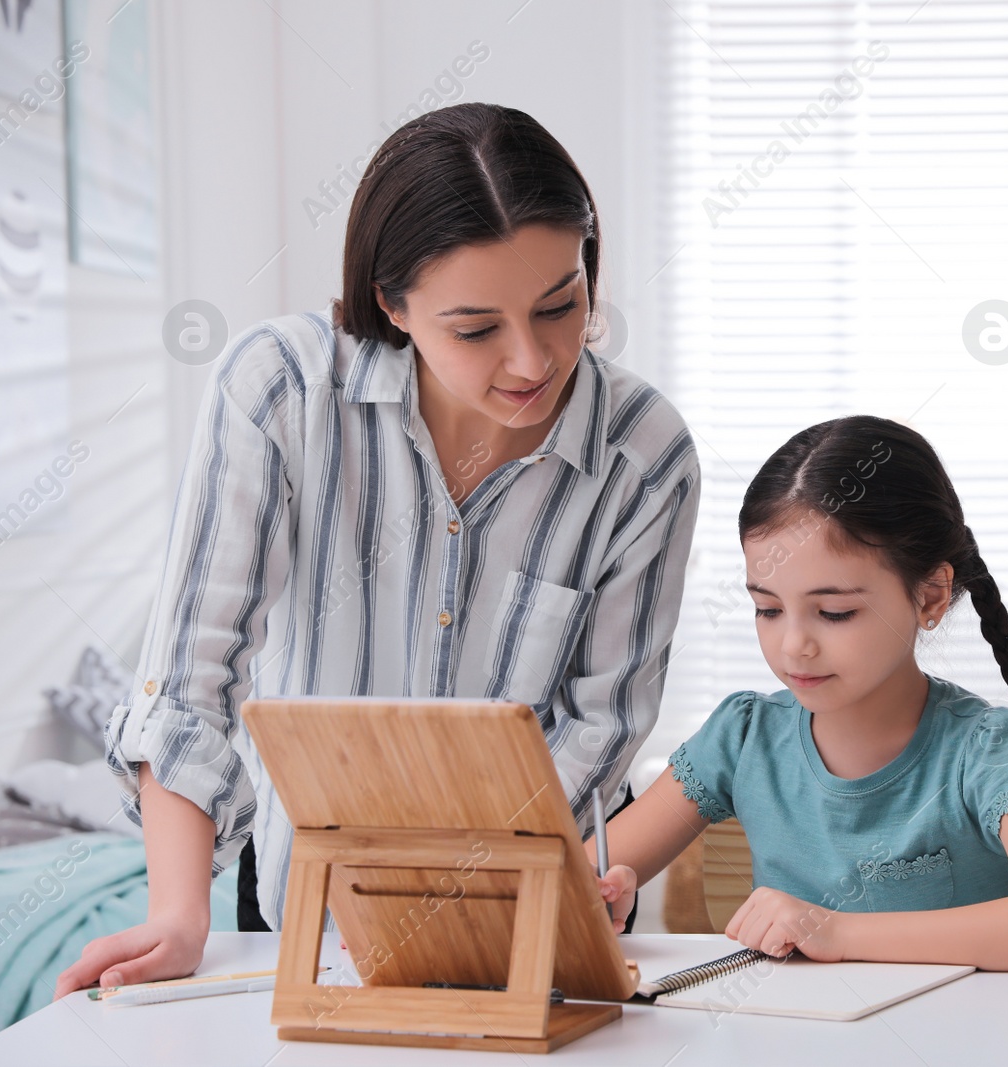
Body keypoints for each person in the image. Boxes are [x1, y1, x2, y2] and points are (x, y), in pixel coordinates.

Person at [54, 103, 699, 997]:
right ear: (393, 303)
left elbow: (600, 725)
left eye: (562, 305)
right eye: (476, 328)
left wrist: (460, 907)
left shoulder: (644, 454)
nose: (532, 361)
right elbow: (191, 677)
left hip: (509, 928)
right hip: (296, 919)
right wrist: (176, 912)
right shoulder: (280, 392)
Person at [586, 416, 1008, 970]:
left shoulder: (988, 752)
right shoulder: (743, 736)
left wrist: (835, 932)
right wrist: (594, 897)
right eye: (767, 609)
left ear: (931, 596)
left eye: (835, 612)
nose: (794, 645)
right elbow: (569, 884)